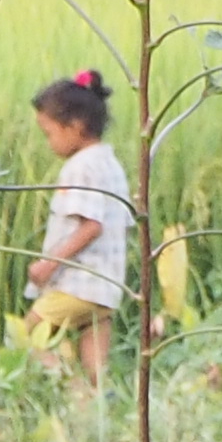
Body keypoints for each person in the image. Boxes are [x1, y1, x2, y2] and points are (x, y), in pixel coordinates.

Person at [21, 69, 133, 394]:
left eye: (49, 133)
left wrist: (48, 263)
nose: (49, 142)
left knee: (26, 337)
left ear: (76, 127)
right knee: (96, 369)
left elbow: (91, 226)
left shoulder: (80, 166)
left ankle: (76, 394)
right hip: (107, 287)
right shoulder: (110, 163)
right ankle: (97, 422)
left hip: (78, 285)